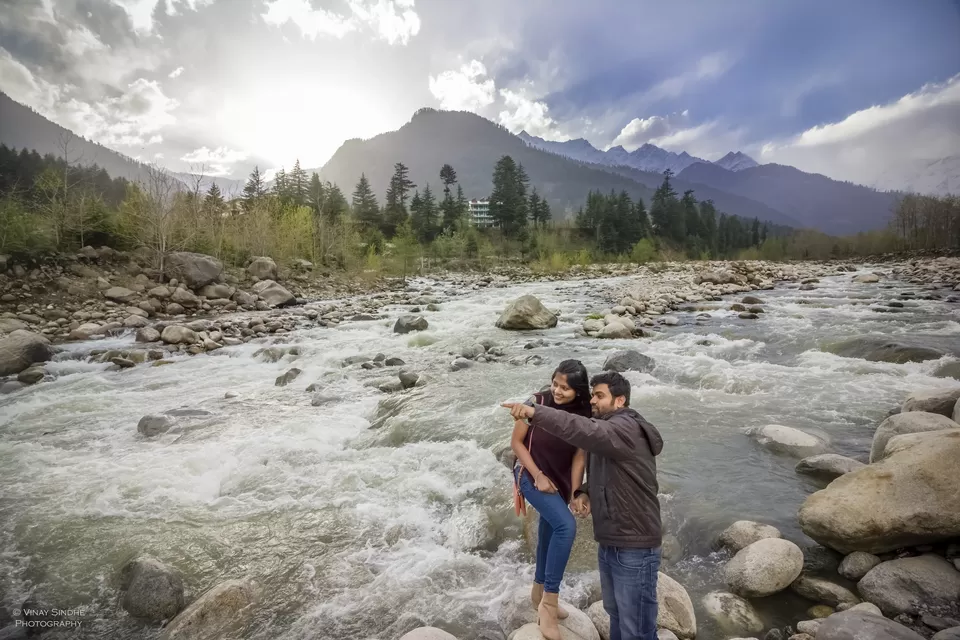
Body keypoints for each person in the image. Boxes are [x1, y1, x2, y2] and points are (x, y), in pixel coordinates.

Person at [503, 370, 664, 640]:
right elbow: (607, 473)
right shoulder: (610, 430)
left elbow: (581, 429)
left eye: (600, 396)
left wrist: (535, 413)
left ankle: (547, 600)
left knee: (637, 628)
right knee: (616, 615)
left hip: (634, 546)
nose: (593, 401)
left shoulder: (624, 428)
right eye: (592, 395)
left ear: (620, 401)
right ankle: (540, 594)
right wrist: (584, 492)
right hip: (613, 541)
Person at [510, 359, 593, 640]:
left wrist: (574, 492)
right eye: (555, 384)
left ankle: (538, 591)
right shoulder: (535, 401)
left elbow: (579, 455)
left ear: (579, 392)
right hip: (528, 473)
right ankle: (549, 603)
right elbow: (516, 444)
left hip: (558, 479)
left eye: (565, 388)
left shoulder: (585, 413)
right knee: (565, 526)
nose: (557, 391)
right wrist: (538, 476)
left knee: (551, 525)